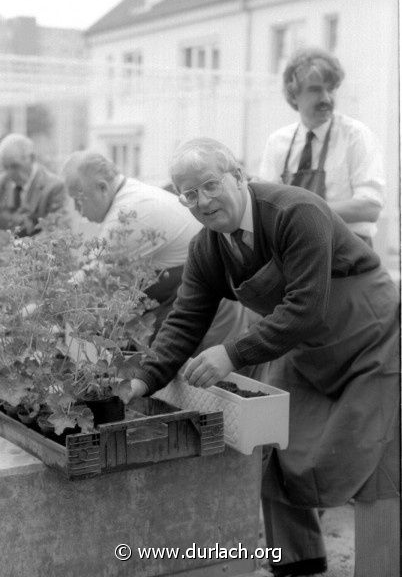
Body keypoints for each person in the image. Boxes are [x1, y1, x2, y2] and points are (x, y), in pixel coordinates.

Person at [122, 138, 399, 577]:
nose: (203, 201)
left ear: (238, 175)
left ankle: (381, 567)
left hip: (370, 335)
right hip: (300, 344)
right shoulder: (208, 247)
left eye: (211, 185)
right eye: (189, 194)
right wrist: (139, 382)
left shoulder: (294, 212)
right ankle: (298, 562)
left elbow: (306, 307)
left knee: (376, 452)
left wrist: (232, 353)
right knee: (274, 441)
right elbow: (184, 323)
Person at [61, 149, 249, 346]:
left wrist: (44, 303)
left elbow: (91, 281)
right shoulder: (131, 195)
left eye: (78, 199)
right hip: (202, 301)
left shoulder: (128, 214)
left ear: (102, 188)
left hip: (213, 309)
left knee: (202, 374)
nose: (76, 209)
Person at [259, 48, 384, 248]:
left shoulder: (355, 136)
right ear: (293, 95)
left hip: (348, 256)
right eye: (316, 89)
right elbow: (265, 207)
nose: (326, 98)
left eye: (331, 88)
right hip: (296, 252)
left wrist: (304, 212)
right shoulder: (277, 142)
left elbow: (370, 207)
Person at [0, 133, 66, 235]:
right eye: (5, 167)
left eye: (15, 166)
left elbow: (57, 232)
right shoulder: (2, 182)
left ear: (32, 158)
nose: (9, 173)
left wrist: (20, 246)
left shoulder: (55, 187)